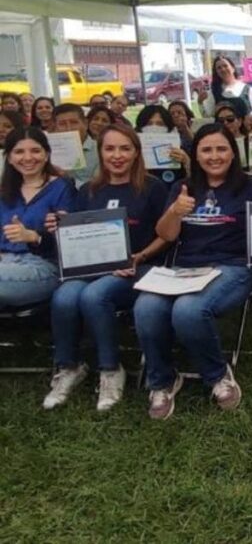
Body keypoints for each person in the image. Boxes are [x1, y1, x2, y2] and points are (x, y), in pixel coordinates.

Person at [134, 124, 252, 421]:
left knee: (188, 310)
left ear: (233, 153)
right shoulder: (183, 187)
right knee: (146, 306)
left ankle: (217, 375)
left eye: (221, 149)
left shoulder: (250, 187)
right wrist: (174, 212)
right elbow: (166, 235)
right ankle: (163, 380)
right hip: (184, 268)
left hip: (232, 267)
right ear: (196, 154)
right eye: (206, 149)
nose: (214, 156)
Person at [44, 124, 168, 411]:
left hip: (141, 266)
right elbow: (76, 234)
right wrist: (59, 225)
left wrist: (140, 256)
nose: (117, 155)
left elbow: (167, 235)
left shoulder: (153, 188)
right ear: (100, 152)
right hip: (94, 266)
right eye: (110, 148)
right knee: (63, 296)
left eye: (125, 148)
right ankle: (69, 366)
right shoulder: (88, 190)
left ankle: (111, 369)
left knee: (94, 296)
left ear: (136, 152)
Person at [0, 127, 76, 308]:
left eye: (35, 151)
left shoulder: (62, 188)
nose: (27, 158)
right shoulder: (4, 192)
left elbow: (71, 243)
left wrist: (33, 237)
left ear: (47, 154)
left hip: (43, 266)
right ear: (9, 158)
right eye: (19, 152)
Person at [135, 104, 191, 185]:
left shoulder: (180, 150)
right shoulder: (132, 150)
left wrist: (187, 162)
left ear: (168, 127)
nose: (154, 127)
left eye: (160, 124)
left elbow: (194, 182)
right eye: (149, 123)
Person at [52, 104, 98, 187]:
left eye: (74, 122)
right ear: (55, 128)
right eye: (62, 124)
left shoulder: (100, 150)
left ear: (85, 124)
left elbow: (97, 187)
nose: (69, 128)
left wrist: (68, 178)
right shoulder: (50, 152)